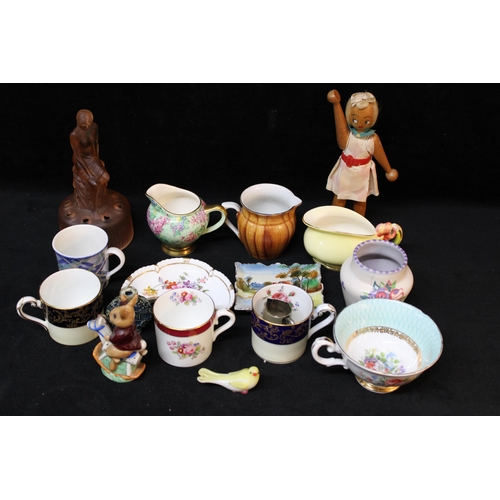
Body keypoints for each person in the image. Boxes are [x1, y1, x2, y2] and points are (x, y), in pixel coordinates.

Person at [325, 90, 398, 216]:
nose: (359, 124)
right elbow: (340, 128)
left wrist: (388, 169)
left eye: (366, 121)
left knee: (360, 200)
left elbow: (379, 154)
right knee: (340, 197)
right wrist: (336, 105)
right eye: (354, 119)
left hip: (362, 173)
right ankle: (334, 219)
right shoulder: (347, 136)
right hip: (345, 171)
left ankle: (359, 222)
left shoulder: (372, 139)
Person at [69, 109, 110, 211]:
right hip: (81, 161)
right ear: (78, 121)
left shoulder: (94, 127)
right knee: (94, 183)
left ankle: (99, 203)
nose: (86, 126)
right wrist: (89, 174)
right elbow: (78, 157)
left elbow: (96, 143)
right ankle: (93, 208)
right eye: (83, 125)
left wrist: (97, 159)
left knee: (106, 177)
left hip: (92, 157)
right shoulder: (74, 134)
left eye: (88, 123)